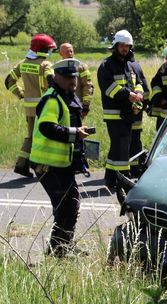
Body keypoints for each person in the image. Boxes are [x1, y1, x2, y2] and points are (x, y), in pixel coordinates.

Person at [29, 58, 91, 257]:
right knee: (67, 205)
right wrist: (74, 133)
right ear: (56, 77)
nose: (72, 81)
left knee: (68, 204)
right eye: (67, 77)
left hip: (62, 163)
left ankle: (62, 246)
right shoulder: (53, 99)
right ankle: (59, 250)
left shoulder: (68, 97)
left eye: (73, 77)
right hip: (48, 164)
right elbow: (47, 127)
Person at [97, 30, 145, 189]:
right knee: (122, 145)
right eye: (122, 45)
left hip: (128, 112)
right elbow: (108, 88)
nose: (125, 48)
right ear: (116, 46)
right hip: (114, 114)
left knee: (118, 146)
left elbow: (138, 82)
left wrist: (138, 92)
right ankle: (124, 180)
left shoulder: (131, 65)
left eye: (127, 46)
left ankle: (110, 178)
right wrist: (128, 95)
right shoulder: (106, 65)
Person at [4, 34, 56, 178]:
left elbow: (8, 82)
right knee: (45, 137)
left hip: (29, 109)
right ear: (42, 49)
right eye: (49, 49)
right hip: (44, 108)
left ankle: (21, 165)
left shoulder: (23, 63)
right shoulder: (46, 65)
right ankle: (40, 168)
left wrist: (21, 94)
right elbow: (52, 82)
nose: (50, 52)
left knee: (31, 136)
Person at [58, 43, 94, 118]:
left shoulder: (81, 67)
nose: (70, 54)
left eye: (71, 51)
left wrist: (86, 105)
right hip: (61, 106)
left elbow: (87, 85)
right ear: (60, 54)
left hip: (77, 105)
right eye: (67, 52)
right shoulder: (57, 67)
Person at [129, 59, 150, 178]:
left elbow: (143, 86)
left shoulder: (134, 66)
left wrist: (144, 103)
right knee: (134, 140)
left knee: (133, 140)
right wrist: (146, 104)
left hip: (134, 110)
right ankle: (134, 168)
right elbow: (145, 86)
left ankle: (133, 167)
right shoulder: (135, 65)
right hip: (132, 110)